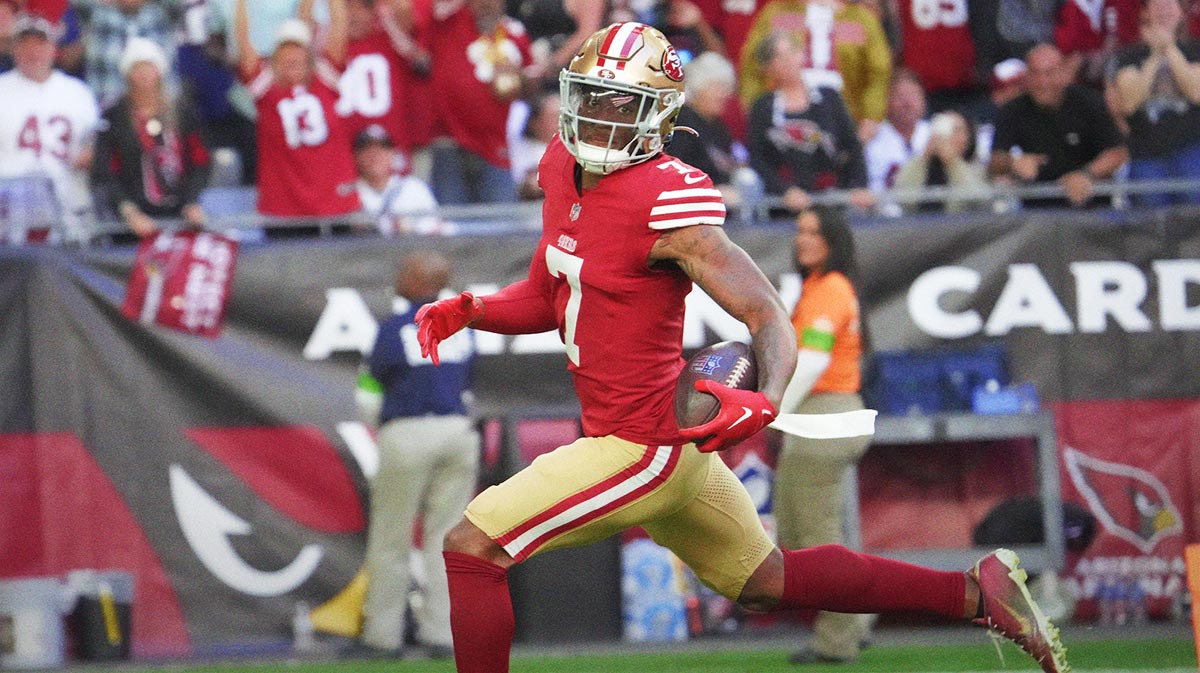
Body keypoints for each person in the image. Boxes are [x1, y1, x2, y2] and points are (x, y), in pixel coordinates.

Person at [412, 21, 1069, 673]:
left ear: (658, 114)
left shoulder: (666, 199)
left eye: (622, 103)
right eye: (591, 96)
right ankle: (978, 590)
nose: (599, 116)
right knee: (767, 579)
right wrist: (474, 309)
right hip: (657, 443)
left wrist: (767, 395)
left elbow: (766, 313)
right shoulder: (562, 167)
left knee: (474, 546)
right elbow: (550, 292)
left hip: (642, 445)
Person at [355, 250, 480, 660]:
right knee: (447, 540)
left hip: (407, 431)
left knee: (391, 537)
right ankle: (442, 635)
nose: (396, 277)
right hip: (458, 431)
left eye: (402, 272)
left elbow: (372, 386)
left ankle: (382, 636)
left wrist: (380, 424)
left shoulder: (394, 327)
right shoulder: (464, 327)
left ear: (416, 282)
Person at [774, 206, 871, 665]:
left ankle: (837, 641)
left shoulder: (830, 287)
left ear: (835, 239)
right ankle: (862, 615)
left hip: (826, 412)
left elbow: (812, 363)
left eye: (814, 232)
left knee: (816, 538)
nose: (803, 239)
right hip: (823, 414)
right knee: (802, 531)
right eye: (800, 231)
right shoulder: (819, 286)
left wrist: (771, 411)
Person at [234, 0, 361, 217]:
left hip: (334, 200)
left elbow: (339, 25)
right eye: (285, 49)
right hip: (284, 204)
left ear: (308, 55)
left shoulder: (325, 78)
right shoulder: (266, 88)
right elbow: (243, 40)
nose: (291, 55)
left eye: (297, 48)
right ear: (275, 57)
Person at [92, 37, 210, 238]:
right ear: (128, 74)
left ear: (160, 71)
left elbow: (200, 160)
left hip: (180, 216)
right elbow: (104, 172)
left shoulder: (182, 111)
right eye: (137, 68)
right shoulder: (114, 116)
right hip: (133, 224)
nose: (144, 74)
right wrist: (128, 211)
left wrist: (191, 201)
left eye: (150, 67)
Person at [746, 31, 876, 212]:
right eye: (779, 57)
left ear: (802, 54)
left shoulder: (829, 98)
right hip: (785, 206)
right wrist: (785, 191)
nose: (788, 61)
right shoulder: (763, 107)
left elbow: (852, 145)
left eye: (792, 52)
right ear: (768, 67)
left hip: (832, 198)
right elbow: (758, 159)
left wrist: (861, 186)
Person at [0, 12, 101, 243]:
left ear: (53, 47)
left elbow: (99, 144)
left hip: (66, 208)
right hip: (8, 212)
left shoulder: (77, 93)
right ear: (13, 49)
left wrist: (92, 154)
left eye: (40, 43)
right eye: (24, 44)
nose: (32, 51)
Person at [988, 42, 1127, 208]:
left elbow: (1118, 152)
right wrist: (1013, 163)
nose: (1042, 82)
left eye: (1049, 73)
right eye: (1035, 73)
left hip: (1092, 211)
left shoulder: (1090, 103)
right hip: (1037, 214)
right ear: (1026, 76)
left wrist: (1086, 174)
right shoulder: (1012, 110)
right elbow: (995, 160)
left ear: (1064, 74)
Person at [426, 0, 532, 204]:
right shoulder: (447, 23)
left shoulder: (514, 32)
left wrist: (517, 79)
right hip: (449, 142)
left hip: (496, 146)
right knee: (451, 226)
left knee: (502, 224)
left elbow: (532, 85)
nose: (486, 3)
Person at [1110, 0, 1200, 206]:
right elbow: (1130, 103)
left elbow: (1196, 92)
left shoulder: (1195, 50)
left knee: (1195, 206)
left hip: (1192, 148)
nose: (1164, 10)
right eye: (1158, 6)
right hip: (1146, 151)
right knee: (1150, 210)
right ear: (1146, 14)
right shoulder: (1129, 56)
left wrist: (1170, 48)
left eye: (1170, 5)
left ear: (1181, 13)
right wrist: (1155, 55)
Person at [353, 123, 443, 234]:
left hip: (412, 248)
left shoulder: (413, 187)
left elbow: (435, 229)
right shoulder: (348, 193)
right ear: (356, 156)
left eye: (382, 148)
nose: (374, 155)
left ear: (393, 153)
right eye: (366, 149)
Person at [893, 111, 989, 214]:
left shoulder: (979, 167)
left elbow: (978, 200)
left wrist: (953, 164)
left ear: (968, 137)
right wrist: (923, 160)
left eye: (956, 130)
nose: (946, 137)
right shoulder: (917, 165)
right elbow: (904, 199)